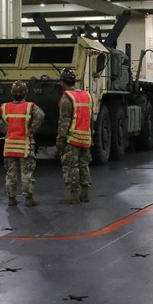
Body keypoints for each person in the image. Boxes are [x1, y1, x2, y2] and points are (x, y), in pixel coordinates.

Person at [0, 80, 45, 207]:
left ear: (12, 93)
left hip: (10, 146)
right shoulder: (30, 107)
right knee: (26, 173)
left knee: (11, 173)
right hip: (24, 145)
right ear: (25, 93)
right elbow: (41, 115)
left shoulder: (5, 107)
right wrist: (32, 130)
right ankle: (28, 199)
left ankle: (11, 198)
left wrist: (5, 129)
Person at [56, 67, 92, 204]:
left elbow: (64, 121)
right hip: (85, 137)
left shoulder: (67, 98)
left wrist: (60, 139)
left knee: (71, 166)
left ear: (63, 82)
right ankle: (85, 194)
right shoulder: (86, 95)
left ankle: (74, 195)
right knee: (84, 165)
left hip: (72, 138)